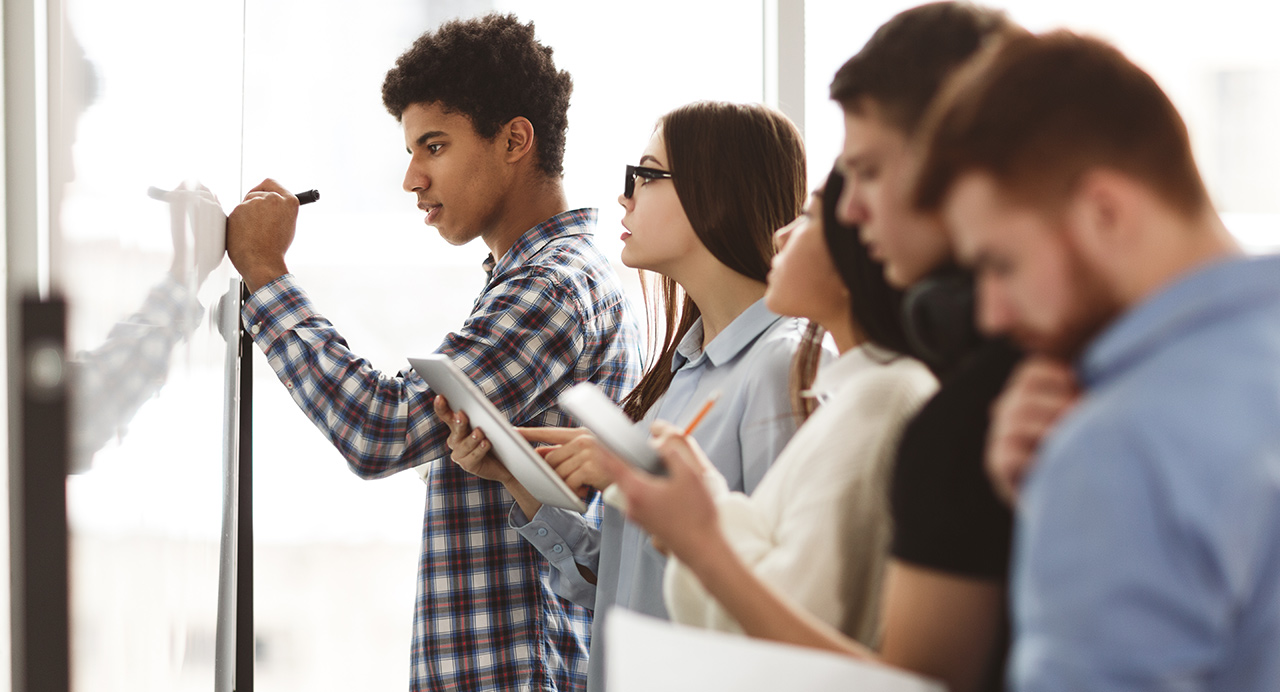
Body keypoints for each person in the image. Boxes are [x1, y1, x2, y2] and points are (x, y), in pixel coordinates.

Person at [224, 14, 643, 692]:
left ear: (515, 140)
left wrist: (267, 274)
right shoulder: (535, 277)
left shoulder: (552, 286)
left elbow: (381, 429)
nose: (412, 179)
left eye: (435, 146)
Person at [913, 30, 1280, 692]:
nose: (991, 313)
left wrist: (1086, 493)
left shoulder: (1119, 446)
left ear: (1105, 211)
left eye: (1002, 264)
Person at [445, 100, 812, 692]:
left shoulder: (779, 366)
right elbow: (623, 587)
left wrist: (630, 479)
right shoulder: (681, 375)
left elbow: (781, 599)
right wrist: (516, 476)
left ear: (712, 191)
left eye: (646, 175)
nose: (626, 196)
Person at [605, 167, 937, 648]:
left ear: (863, 251)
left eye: (809, 217)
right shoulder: (860, 394)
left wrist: (698, 532)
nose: (781, 233)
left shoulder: (877, 400)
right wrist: (704, 499)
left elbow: (795, 630)